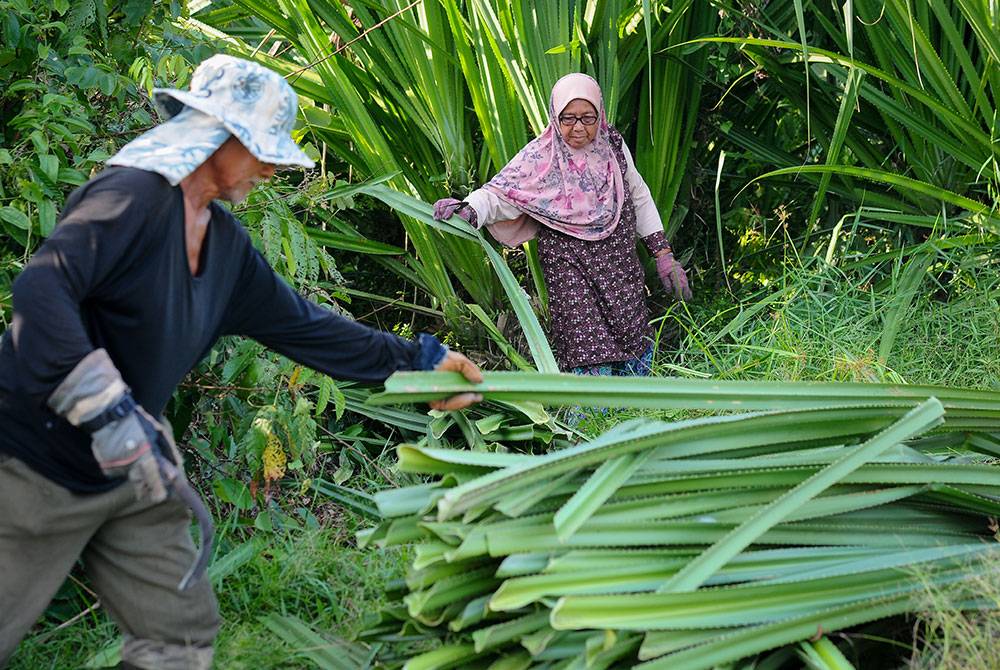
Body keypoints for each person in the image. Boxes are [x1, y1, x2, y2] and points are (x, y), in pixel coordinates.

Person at [0, 55, 482, 669]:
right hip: (33, 467)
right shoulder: (132, 196)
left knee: (178, 640)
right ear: (218, 136)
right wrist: (102, 405)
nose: (274, 167)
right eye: (262, 148)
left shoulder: (225, 248)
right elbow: (43, 289)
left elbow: (307, 328)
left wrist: (418, 365)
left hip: (135, 468)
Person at [434, 73, 691, 376]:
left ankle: (638, 407)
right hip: (570, 266)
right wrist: (469, 209)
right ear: (555, 117)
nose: (578, 127)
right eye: (568, 118)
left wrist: (662, 255)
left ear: (600, 115)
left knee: (631, 332)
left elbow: (639, 194)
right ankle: (594, 417)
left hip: (619, 264)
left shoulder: (613, 146)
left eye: (587, 118)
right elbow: (502, 194)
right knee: (586, 340)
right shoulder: (539, 157)